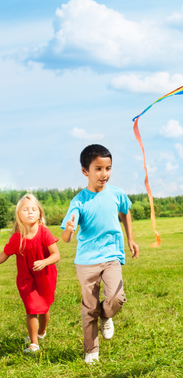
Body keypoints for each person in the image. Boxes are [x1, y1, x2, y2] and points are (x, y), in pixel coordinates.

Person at [61, 144, 139, 364]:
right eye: (98, 169)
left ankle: (106, 315)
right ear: (85, 171)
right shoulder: (78, 201)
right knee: (89, 307)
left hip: (112, 255)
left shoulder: (117, 193)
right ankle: (91, 350)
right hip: (86, 262)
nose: (104, 174)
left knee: (116, 297)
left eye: (108, 168)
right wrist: (68, 230)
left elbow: (126, 212)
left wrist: (130, 239)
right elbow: (66, 238)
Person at [0, 194, 60, 353]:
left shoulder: (44, 233)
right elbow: (3, 256)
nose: (30, 212)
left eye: (34, 209)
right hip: (26, 280)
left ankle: (41, 332)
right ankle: (34, 343)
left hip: (45, 277)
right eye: (25, 209)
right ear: (18, 214)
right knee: (32, 308)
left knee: (44, 308)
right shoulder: (16, 238)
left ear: (40, 213)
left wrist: (44, 262)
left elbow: (56, 255)